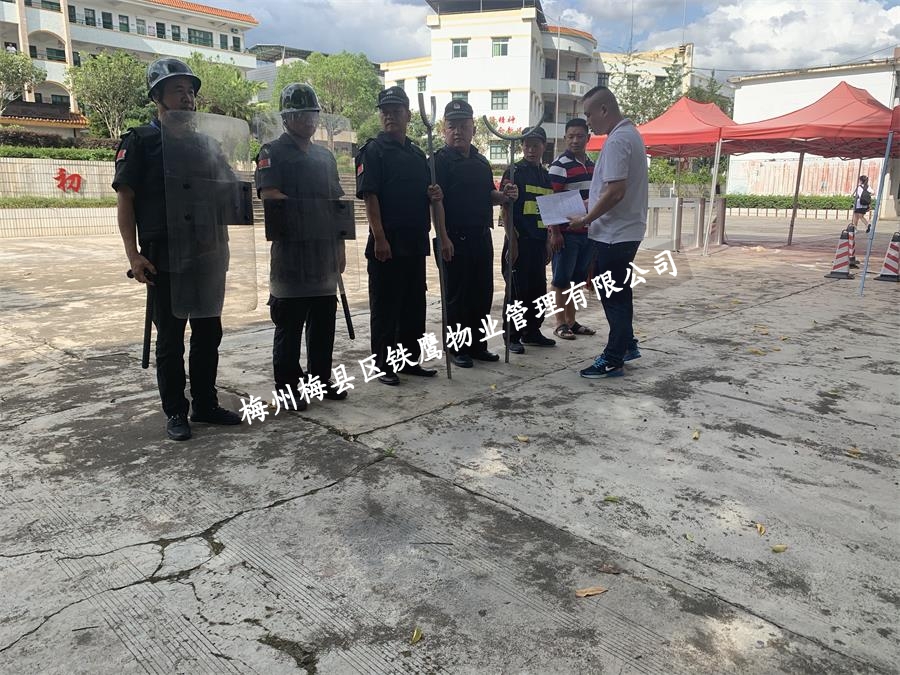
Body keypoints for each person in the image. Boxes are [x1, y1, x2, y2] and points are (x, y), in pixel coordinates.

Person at [113, 58, 241, 440]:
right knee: (170, 340)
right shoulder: (141, 142)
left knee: (208, 333)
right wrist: (133, 255)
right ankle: (175, 411)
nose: (187, 98)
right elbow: (126, 199)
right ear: (157, 97)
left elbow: (229, 192)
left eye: (190, 91)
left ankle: (205, 404)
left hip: (208, 254)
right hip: (164, 257)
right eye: (177, 91)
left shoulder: (206, 144)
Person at [256, 83, 349, 409]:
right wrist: (313, 213)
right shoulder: (272, 152)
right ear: (286, 118)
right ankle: (288, 388)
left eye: (311, 114)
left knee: (323, 322)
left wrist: (340, 246)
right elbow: (271, 195)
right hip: (291, 254)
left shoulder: (324, 156)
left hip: (323, 253)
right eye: (299, 114)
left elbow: (337, 204)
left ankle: (320, 379)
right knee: (290, 324)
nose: (308, 120)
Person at [355, 86, 450, 386]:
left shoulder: (417, 154)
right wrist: (379, 237)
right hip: (388, 243)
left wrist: (434, 194)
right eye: (385, 112)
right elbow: (370, 197)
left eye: (396, 111)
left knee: (413, 305)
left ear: (408, 115)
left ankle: (409, 360)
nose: (389, 116)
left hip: (415, 242)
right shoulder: (373, 151)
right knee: (385, 307)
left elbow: (427, 195)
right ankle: (383, 364)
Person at [568, 86, 647, 378]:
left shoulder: (617, 141)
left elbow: (616, 192)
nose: (588, 122)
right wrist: (587, 206)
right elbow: (610, 190)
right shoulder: (629, 135)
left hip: (615, 234)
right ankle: (627, 345)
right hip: (623, 230)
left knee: (614, 297)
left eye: (589, 114)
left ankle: (614, 357)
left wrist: (586, 218)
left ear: (604, 109)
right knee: (618, 292)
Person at [434, 99, 518, 368]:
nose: (457, 131)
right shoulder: (438, 162)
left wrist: (504, 196)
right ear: (444, 129)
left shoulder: (481, 162)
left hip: (481, 236)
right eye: (452, 126)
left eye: (463, 126)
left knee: (481, 293)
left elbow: (488, 195)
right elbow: (436, 203)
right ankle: (456, 348)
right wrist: (443, 237)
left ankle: (478, 345)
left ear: (473, 128)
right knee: (457, 297)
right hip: (453, 238)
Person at [500, 126, 555, 354]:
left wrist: (548, 241)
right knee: (516, 292)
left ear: (544, 146)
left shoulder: (545, 176)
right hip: (518, 242)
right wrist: (512, 242)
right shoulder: (514, 172)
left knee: (537, 290)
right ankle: (512, 335)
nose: (531, 150)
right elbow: (505, 208)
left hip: (538, 242)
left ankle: (532, 331)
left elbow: (548, 211)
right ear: (521, 146)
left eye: (535, 145)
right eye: (527, 145)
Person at [547, 118, 596, 341]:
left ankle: (572, 321)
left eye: (580, 136)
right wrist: (555, 232)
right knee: (561, 280)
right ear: (565, 138)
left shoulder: (592, 165)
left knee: (577, 280)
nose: (575, 140)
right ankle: (559, 323)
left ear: (588, 138)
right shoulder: (560, 165)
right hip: (566, 234)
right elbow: (551, 200)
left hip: (587, 232)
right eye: (571, 136)